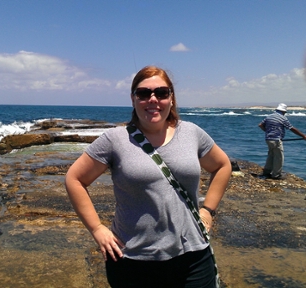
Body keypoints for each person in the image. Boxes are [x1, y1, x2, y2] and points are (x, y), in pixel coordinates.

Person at [65, 66, 231, 287]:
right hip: (132, 259)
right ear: (133, 99)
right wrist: (97, 229)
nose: (153, 99)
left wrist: (207, 210)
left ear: (171, 98)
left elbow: (222, 165)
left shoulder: (192, 133)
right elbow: (74, 179)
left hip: (193, 257)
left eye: (161, 93)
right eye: (144, 93)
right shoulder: (115, 139)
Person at [258, 103, 306, 180]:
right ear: (283, 111)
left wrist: (268, 132)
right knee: (279, 157)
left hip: (268, 139)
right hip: (276, 140)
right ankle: (276, 175)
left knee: (271, 155)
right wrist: (303, 136)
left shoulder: (269, 116)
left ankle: (266, 172)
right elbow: (291, 128)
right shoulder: (283, 118)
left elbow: (260, 125)